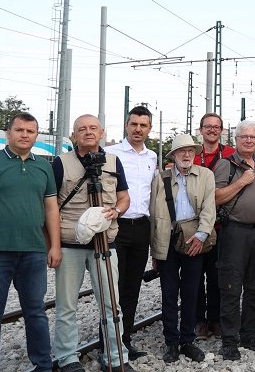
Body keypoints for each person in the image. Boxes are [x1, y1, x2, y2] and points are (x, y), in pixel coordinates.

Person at [0, 112, 60, 372]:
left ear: (36, 135)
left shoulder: (44, 166)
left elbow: (51, 208)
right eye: (19, 130)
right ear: (8, 133)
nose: (24, 135)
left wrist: (55, 245)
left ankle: (43, 365)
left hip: (33, 252)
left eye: (30, 131)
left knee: (36, 313)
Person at [51, 115, 132, 372]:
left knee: (111, 304)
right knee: (66, 306)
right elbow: (50, 206)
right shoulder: (60, 163)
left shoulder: (113, 161)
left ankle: (117, 357)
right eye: (82, 129)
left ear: (102, 133)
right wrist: (51, 244)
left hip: (105, 243)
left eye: (93, 128)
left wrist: (117, 211)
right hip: (70, 243)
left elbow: (124, 197)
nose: (88, 132)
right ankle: (67, 358)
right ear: (74, 135)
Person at [211, 120, 255, 359]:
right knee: (231, 287)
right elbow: (216, 197)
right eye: (244, 137)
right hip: (234, 232)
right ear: (235, 140)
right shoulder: (225, 165)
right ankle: (229, 341)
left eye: (253, 137)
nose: (249, 140)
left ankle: (250, 334)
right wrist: (241, 182)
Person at [150, 133, 214, 364]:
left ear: (195, 154)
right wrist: (154, 250)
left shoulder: (206, 175)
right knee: (169, 293)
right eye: (181, 151)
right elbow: (153, 214)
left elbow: (209, 207)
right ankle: (171, 342)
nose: (186, 155)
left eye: (190, 151)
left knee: (191, 291)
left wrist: (201, 235)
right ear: (174, 155)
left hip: (194, 240)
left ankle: (188, 340)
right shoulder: (161, 178)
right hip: (167, 241)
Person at [104, 105, 158, 360]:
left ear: (149, 129)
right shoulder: (110, 153)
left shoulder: (152, 158)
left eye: (143, 125)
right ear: (126, 125)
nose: (138, 129)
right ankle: (110, 345)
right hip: (117, 227)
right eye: (134, 124)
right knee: (113, 288)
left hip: (141, 227)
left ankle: (124, 342)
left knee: (132, 288)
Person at [194, 112, 235, 338]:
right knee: (196, 275)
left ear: (221, 130)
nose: (212, 130)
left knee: (218, 275)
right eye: (207, 127)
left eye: (216, 127)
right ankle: (199, 320)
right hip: (195, 226)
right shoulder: (191, 153)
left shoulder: (230, 154)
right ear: (200, 130)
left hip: (221, 227)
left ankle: (216, 319)